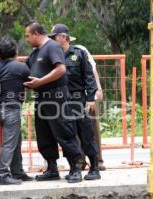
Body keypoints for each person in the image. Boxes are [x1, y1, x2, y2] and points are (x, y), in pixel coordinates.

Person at [24, 20, 82, 183]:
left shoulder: (52, 47)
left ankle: (75, 168)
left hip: (56, 98)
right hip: (41, 99)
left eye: (28, 36)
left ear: (36, 34)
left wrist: (40, 82)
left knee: (65, 133)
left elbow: (61, 69)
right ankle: (52, 169)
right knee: (44, 136)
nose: (27, 39)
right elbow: (25, 70)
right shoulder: (34, 52)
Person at [48, 23, 101, 180]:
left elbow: (89, 77)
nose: (51, 40)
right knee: (67, 136)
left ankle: (95, 168)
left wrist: (91, 99)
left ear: (63, 37)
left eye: (54, 37)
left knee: (86, 134)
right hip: (61, 102)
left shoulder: (79, 54)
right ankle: (75, 168)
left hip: (78, 100)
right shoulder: (53, 56)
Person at [0, 36, 33, 185]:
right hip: (12, 107)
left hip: (0, 107)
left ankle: (17, 172)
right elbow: (31, 82)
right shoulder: (20, 67)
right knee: (9, 142)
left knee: (16, 140)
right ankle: (2, 174)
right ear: (15, 51)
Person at [74, 44, 106, 171]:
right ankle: (80, 161)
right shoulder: (57, 53)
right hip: (72, 98)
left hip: (88, 96)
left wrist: (98, 89)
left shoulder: (80, 50)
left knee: (92, 129)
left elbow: (92, 70)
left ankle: (98, 160)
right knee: (75, 130)